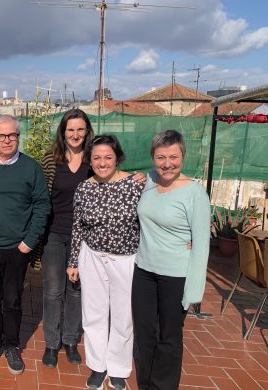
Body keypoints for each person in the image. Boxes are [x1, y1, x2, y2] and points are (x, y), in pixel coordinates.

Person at [132, 130, 210, 390]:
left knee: (169, 338)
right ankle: (145, 384)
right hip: (143, 271)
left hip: (175, 275)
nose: (167, 164)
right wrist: (139, 176)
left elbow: (201, 246)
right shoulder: (150, 180)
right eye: (160, 157)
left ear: (183, 156)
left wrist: (193, 292)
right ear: (153, 158)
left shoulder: (194, 193)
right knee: (143, 335)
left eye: (173, 157)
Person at [0, 114, 50, 375]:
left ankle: (11, 346)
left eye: (12, 135)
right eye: (1, 136)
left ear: (19, 137)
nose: (6, 140)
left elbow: (42, 205)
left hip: (17, 248)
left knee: (13, 300)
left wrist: (29, 242)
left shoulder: (31, 168)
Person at [67, 135, 144, 390]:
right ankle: (98, 367)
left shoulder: (136, 185)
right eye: (97, 158)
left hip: (126, 259)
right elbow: (77, 226)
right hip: (92, 258)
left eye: (108, 157)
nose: (102, 163)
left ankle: (119, 369)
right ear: (90, 160)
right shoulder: (84, 188)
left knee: (123, 316)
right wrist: (73, 261)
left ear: (117, 158)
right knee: (94, 315)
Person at [36, 109, 93, 368]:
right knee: (53, 291)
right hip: (54, 233)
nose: (75, 134)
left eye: (80, 129)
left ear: (87, 131)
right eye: (70, 129)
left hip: (84, 236)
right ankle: (51, 343)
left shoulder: (95, 160)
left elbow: (115, 178)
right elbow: (40, 196)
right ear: (63, 132)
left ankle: (70, 340)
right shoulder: (51, 160)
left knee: (76, 290)